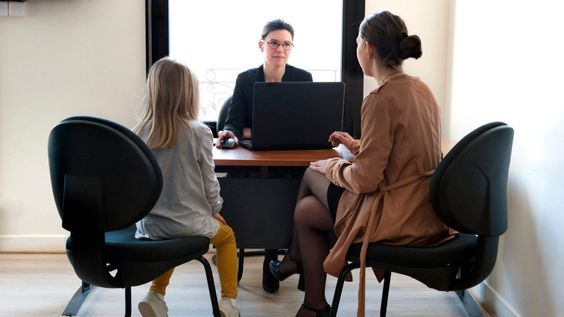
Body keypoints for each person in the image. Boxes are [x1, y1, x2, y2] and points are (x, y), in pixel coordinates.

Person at [269, 11, 455, 317]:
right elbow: (402, 151)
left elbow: (366, 180)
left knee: (311, 170)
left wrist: (330, 165)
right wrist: (355, 144)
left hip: (395, 215)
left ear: (367, 48)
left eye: (357, 42)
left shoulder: (379, 99)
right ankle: (311, 301)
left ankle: (295, 263)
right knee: (305, 213)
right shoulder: (420, 88)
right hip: (423, 207)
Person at [134, 58, 240, 317]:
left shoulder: (139, 132)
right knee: (227, 237)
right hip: (188, 223)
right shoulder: (198, 132)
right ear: (188, 94)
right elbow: (209, 184)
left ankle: (155, 294)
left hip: (151, 225)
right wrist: (215, 209)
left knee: (168, 237)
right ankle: (228, 302)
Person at [216, 19, 313, 294]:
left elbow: (305, 124)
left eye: (285, 44)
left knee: (296, 187)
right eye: (273, 42)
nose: (279, 49)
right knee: (261, 189)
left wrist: (252, 128)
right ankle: (272, 257)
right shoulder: (246, 79)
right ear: (262, 45)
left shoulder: (302, 78)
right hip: (254, 159)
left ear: (291, 49)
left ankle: (300, 261)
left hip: (289, 158)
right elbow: (234, 123)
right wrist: (232, 132)